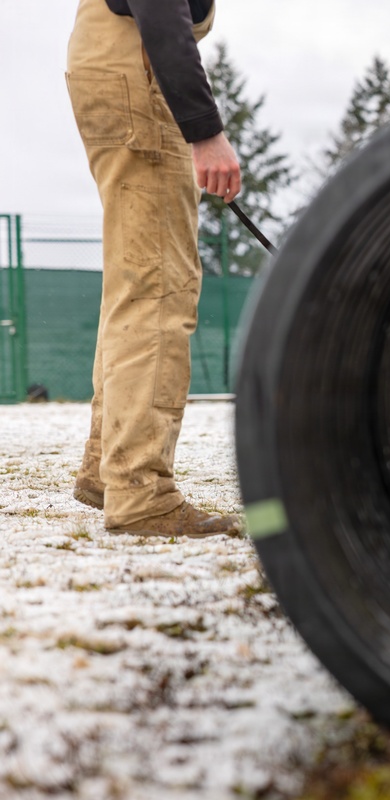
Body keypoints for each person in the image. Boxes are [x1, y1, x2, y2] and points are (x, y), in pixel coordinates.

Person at [66, 0, 242, 537]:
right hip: (137, 78)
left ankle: (108, 468)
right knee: (159, 285)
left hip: (112, 68)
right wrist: (204, 130)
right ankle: (141, 492)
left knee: (135, 278)